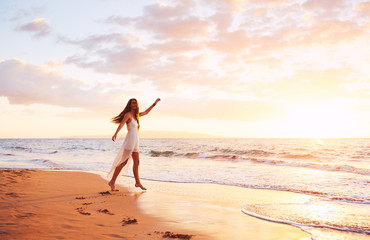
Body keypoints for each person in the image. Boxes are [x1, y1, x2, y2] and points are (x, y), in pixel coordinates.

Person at [108, 98, 161, 191]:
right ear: (129, 105)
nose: (135, 105)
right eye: (133, 103)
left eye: (136, 103)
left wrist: (154, 104)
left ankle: (137, 182)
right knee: (123, 161)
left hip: (135, 141)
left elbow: (146, 112)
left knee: (137, 162)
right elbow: (121, 124)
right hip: (129, 141)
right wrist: (115, 133)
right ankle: (112, 181)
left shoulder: (136, 115)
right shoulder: (127, 115)